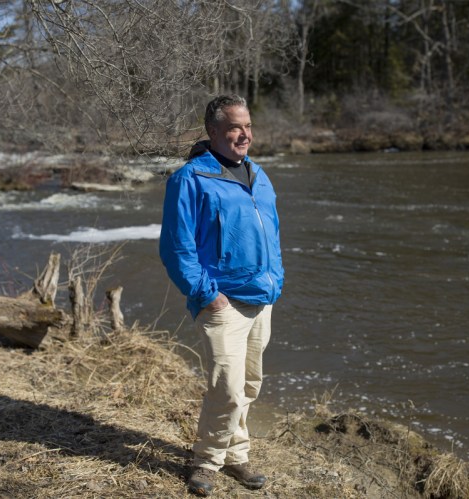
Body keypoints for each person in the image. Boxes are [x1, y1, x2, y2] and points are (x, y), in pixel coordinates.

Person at [159, 95, 284, 496]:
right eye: (234, 127)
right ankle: (207, 462)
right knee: (226, 387)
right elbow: (176, 248)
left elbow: (273, 236)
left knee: (249, 384)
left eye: (248, 126)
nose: (244, 134)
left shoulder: (259, 175)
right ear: (213, 131)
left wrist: (276, 280)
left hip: (260, 297)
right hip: (221, 301)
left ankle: (237, 456)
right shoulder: (190, 179)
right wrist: (207, 295)